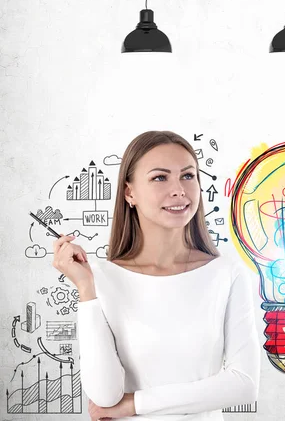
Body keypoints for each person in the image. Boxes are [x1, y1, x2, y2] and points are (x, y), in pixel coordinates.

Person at [52, 131, 261, 421]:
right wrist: (86, 290)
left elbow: (244, 385)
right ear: (129, 193)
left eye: (188, 176)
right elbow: (104, 396)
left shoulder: (226, 274)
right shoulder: (100, 278)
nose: (179, 190)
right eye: (160, 178)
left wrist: (135, 404)